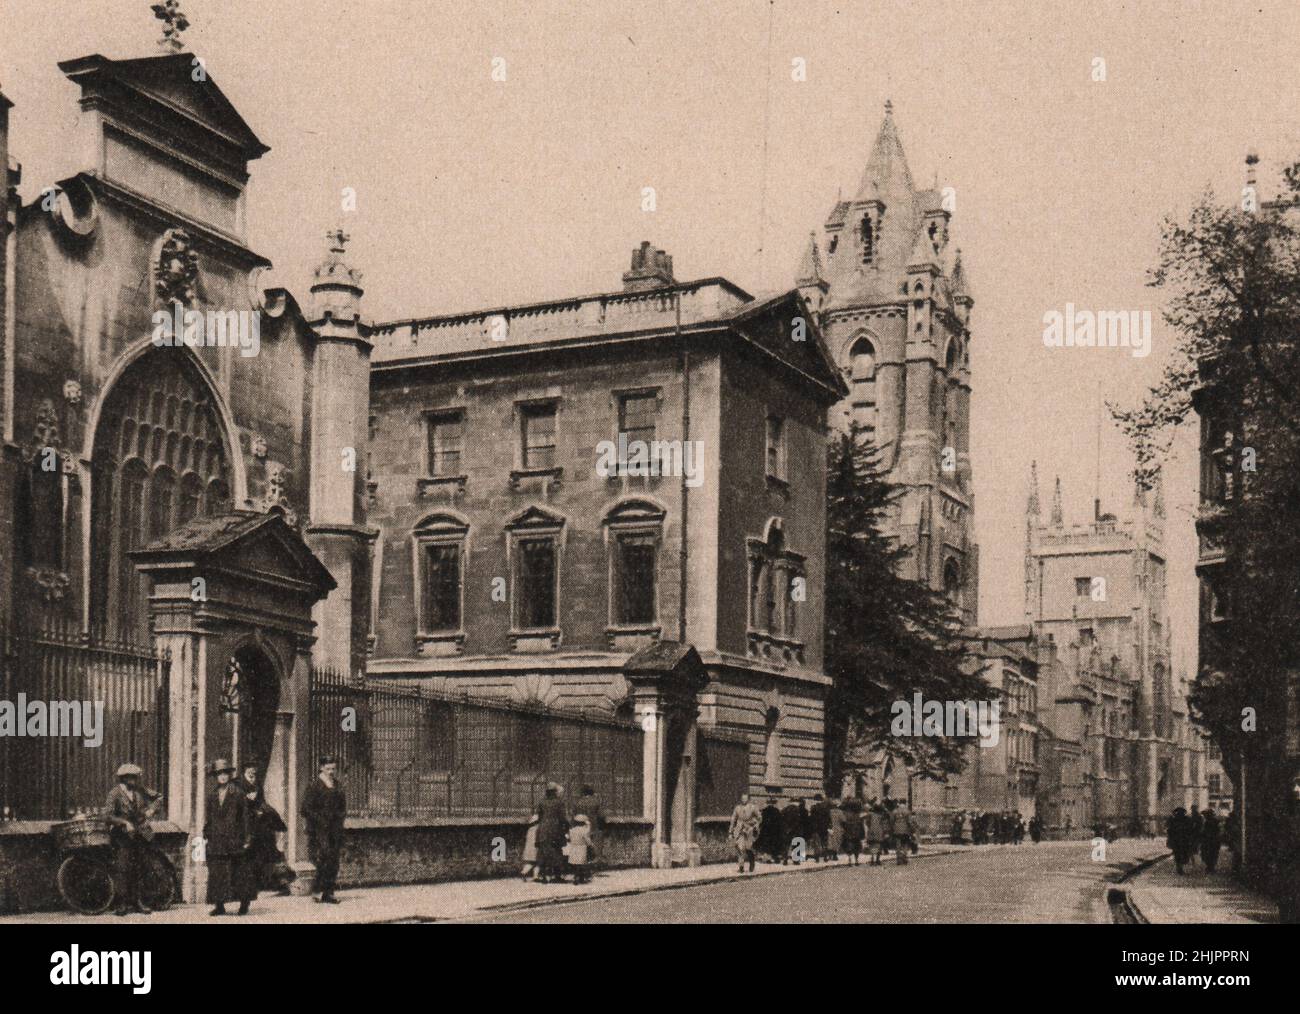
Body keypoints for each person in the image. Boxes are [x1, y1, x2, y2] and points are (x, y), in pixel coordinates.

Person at [104, 762, 161, 916]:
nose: (134, 781)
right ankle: (122, 904)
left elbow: (158, 797)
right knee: (123, 869)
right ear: (122, 779)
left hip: (139, 835)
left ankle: (138, 902)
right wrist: (124, 823)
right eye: (130, 778)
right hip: (122, 837)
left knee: (139, 867)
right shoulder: (114, 794)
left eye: (135, 777)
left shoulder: (140, 791)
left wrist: (151, 810)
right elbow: (107, 816)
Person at [204, 758, 253, 916]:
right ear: (215, 777)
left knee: (238, 872)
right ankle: (219, 905)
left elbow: (245, 817)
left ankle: (244, 903)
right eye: (219, 774)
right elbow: (209, 818)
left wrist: (247, 839)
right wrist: (207, 834)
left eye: (225, 773)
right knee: (217, 872)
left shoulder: (238, 793)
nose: (223, 776)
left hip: (235, 838)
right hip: (217, 839)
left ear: (230, 775)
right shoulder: (212, 795)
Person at [240, 765, 293, 897]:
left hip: (259, 825)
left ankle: (272, 883)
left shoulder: (257, 783)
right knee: (249, 855)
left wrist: (262, 811)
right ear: (245, 771)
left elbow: (261, 801)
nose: (253, 775)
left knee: (265, 853)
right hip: (246, 824)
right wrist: (247, 799)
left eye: (254, 773)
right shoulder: (238, 784)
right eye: (250, 772)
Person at [301, 756, 346, 903]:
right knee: (323, 859)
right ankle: (318, 890)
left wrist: (339, 817)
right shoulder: (314, 786)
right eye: (328, 769)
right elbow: (305, 809)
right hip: (319, 830)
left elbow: (342, 806)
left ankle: (329, 892)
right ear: (321, 768)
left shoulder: (337, 785)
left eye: (333, 769)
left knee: (333, 860)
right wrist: (321, 819)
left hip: (335, 829)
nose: (331, 772)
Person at [535, 783, 569, 883]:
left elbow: (539, 816)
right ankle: (557, 876)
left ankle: (544, 876)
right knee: (557, 852)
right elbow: (562, 818)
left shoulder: (542, 802)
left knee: (544, 852)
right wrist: (567, 827)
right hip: (555, 829)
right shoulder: (559, 802)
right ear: (555, 792)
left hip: (542, 829)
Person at [728, 792, 762, 873]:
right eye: (743, 798)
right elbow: (733, 819)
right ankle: (741, 867)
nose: (744, 800)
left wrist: (755, 826)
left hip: (749, 829)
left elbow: (759, 818)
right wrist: (730, 832)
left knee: (748, 848)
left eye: (745, 798)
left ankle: (752, 862)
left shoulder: (753, 807)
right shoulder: (737, 808)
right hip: (739, 829)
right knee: (739, 848)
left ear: (748, 799)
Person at [575, 785, 604, 871]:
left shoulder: (578, 802)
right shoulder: (596, 802)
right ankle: (593, 865)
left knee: (583, 846)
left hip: (581, 826)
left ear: (583, 793)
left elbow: (574, 815)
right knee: (594, 846)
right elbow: (601, 815)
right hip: (594, 826)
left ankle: (583, 866)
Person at [564, 814, 593, 884]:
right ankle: (580, 878)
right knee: (581, 864)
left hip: (573, 847)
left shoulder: (572, 830)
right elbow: (587, 840)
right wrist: (591, 845)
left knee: (575, 864)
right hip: (581, 847)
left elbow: (568, 838)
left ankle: (576, 877)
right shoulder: (584, 830)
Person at [1166, 806, 1195, 875]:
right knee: (1178, 854)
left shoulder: (1187, 819)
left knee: (1182, 855)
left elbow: (1190, 829)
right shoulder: (1173, 820)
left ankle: (1180, 866)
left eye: (1181, 812)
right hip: (1179, 841)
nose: (1179, 814)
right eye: (1178, 812)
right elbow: (1169, 830)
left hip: (1183, 841)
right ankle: (1179, 867)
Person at [757, 796, 785, 863]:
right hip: (775, 831)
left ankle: (767, 858)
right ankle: (775, 857)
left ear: (767, 803)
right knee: (774, 844)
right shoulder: (777, 811)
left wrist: (761, 828)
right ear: (774, 803)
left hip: (766, 831)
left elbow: (762, 821)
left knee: (766, 845)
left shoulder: (764, 811)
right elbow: (780, 822)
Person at [889, 800, 914, 865]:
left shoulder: (895, 811)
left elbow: (891, 821)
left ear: (899, 803)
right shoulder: (907, 811)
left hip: (897, 830)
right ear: (905, 803)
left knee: (898, 845)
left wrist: (892, 828)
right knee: (905, 844)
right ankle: (904, 857)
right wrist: (912, 829)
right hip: (905, 830)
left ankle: (898, 859)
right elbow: (909, 822)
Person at [780, 797, 804, 864]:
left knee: (786, 844)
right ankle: (796, 860)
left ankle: (785, 859)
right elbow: (799, 821)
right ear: (797, 802)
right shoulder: (798, 810)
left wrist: (786, 828)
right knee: (796, 844)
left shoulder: (785, 809)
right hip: (796, 830)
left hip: (786, 830)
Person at [841, 798, 864, 865]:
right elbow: (861, 824)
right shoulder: (858, 815)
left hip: (849, 832)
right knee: (857, 846)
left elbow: (844, 823)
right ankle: (856, 860)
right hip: (857, 832)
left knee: (849, 846)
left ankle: (850, 859)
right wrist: (862, 834)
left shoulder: (846, 813)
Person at [809, 794, 832, 862]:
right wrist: (829, 827)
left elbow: (811, 818)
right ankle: (825, 857)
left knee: (816, 843)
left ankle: (817, 858)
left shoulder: (813, 807)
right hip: (824, 828)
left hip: (816, 828)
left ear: (815, 800)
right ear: (821, 800)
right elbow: (828, 818)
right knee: (824, 843)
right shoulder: (826, 808)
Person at [1199, 809, 1221, 874]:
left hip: (1210, 841)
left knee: (1210, 854)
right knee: (1210, 854)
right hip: (1210, 841)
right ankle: (1210, 867)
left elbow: (1217, 831)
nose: (1205, 816)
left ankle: (1210, 867)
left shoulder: (1213, 822)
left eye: (1206, 815)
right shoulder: (1208, 822)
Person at [865, 800, 887, 865]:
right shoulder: (882, 816)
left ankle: (872, 859)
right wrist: (885, 832)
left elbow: (867, 822)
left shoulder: (870, 814)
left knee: (872, 845)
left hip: (871, 830)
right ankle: (877, 860)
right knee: (879, 845)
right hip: (879, 831)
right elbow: (884, 824)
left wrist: (870, 827)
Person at [521, 813, 541, 882]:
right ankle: (534, 876)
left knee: (531, 862)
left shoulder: (530, 829)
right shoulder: (538, 829)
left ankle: (524, 872)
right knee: (537, 862)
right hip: (536, 847)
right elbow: (538, 839)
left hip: (529, 848)